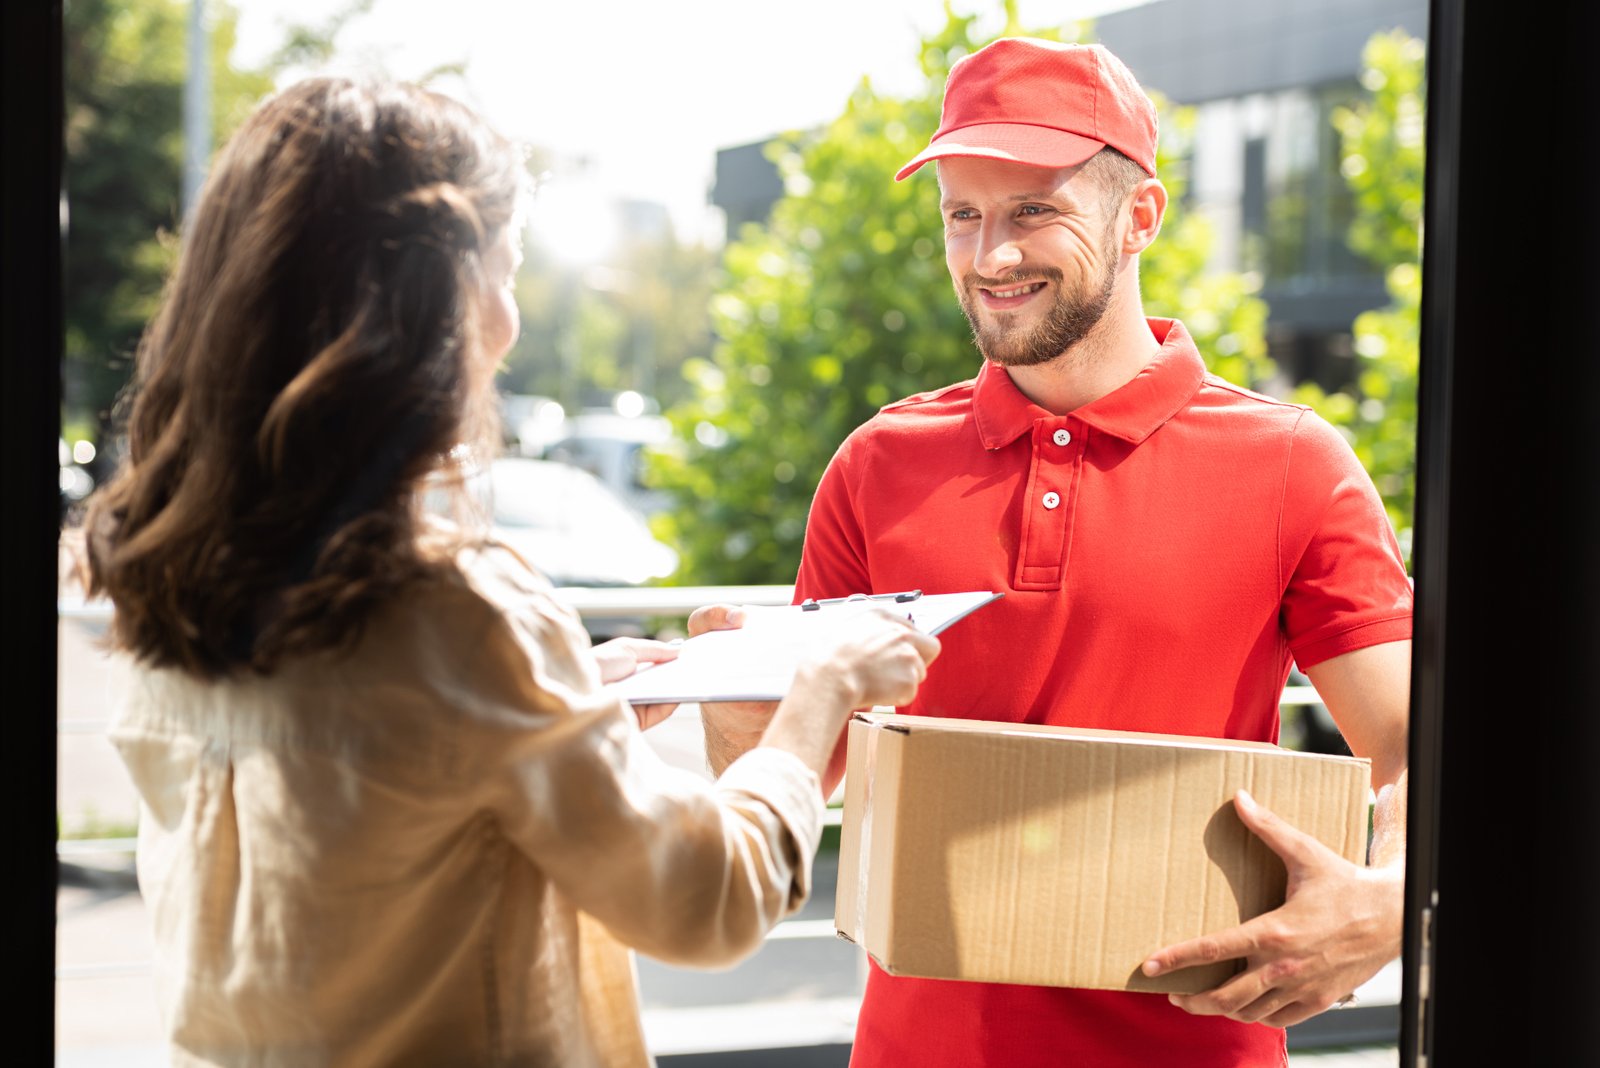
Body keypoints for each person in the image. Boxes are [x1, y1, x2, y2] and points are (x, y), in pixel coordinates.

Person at [83, 77, 940, 1068]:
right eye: (506, 270)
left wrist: (559, 707)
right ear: (434, 302)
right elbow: (705, 903)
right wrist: (822, 690)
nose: (511, 322)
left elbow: (360, 820)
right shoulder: (455, 610)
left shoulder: (169, 578)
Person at [697, 37, 1412, 1068]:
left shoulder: (1293, 465)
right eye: (963, 214)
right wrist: (739, 718)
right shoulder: (876, 464)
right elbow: (812, 777)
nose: (990, 255)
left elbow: (1405, 744)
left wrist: (1387, 904)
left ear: (1139, 217)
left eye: (1033, 209)